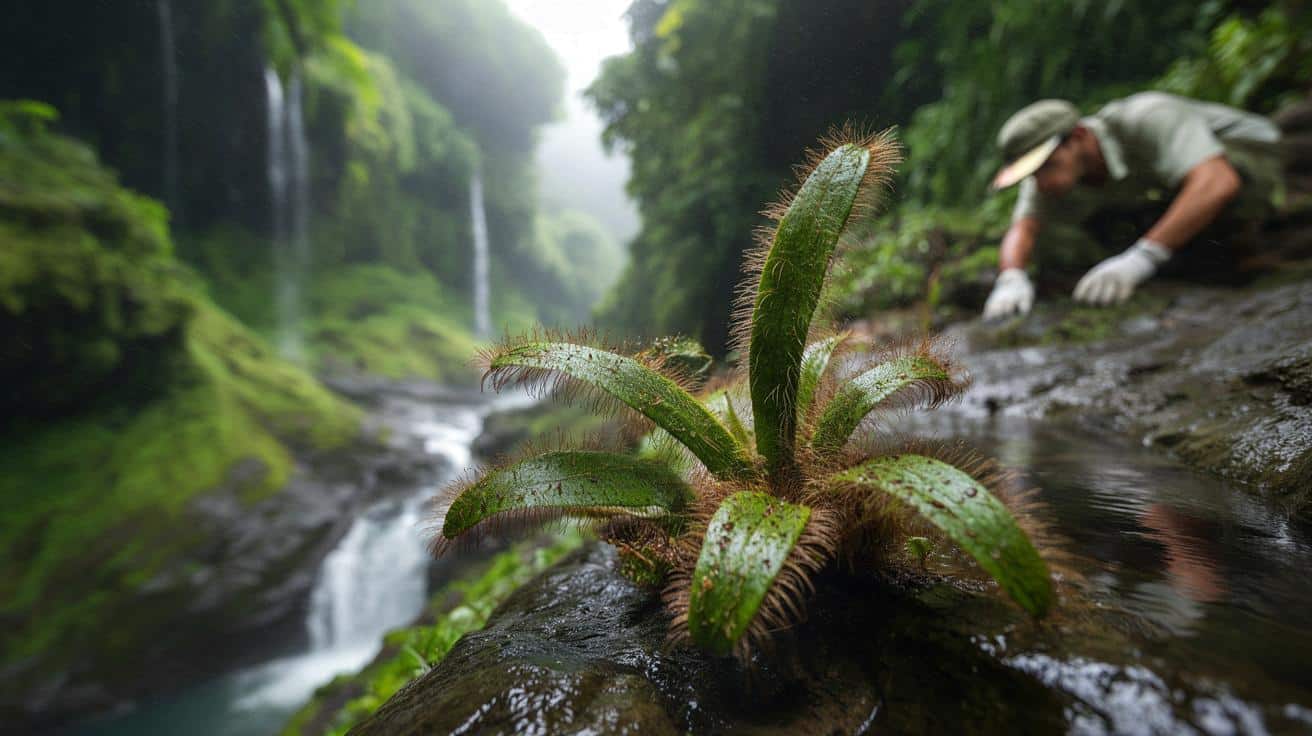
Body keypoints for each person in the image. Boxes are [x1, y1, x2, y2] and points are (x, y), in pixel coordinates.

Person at [982, 92, 1284, 319]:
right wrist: (1011, 277)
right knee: (1066, 238)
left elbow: (1218, 180)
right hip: (1171, 191)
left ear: (1077, 137)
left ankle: (1250, 243)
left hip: (1266, 158)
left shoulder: (1148, 116)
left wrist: (1143, 257)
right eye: (1034, 173)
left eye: (1049, 165)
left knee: (1231, 182)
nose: (1042, 182)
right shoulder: (1050, 178)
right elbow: (1024, 228)